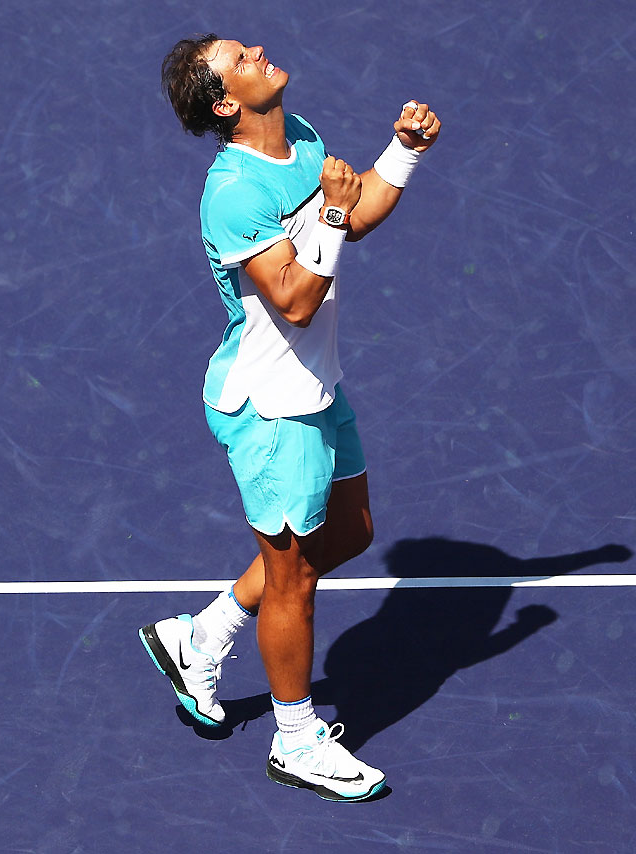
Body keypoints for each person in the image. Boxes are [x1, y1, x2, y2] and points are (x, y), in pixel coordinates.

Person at [139, 33, 441, 802]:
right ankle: (296, 737)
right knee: (294, 581)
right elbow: (299, 301)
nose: (259, 51)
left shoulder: (299, 137)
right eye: (240, 59)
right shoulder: (233, 192)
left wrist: (400, 152)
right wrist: (336, 212)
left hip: (316, 388)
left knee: (352, 532)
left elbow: (354, 212)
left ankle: (202, 635)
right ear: (225, 104)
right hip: (272, 406)